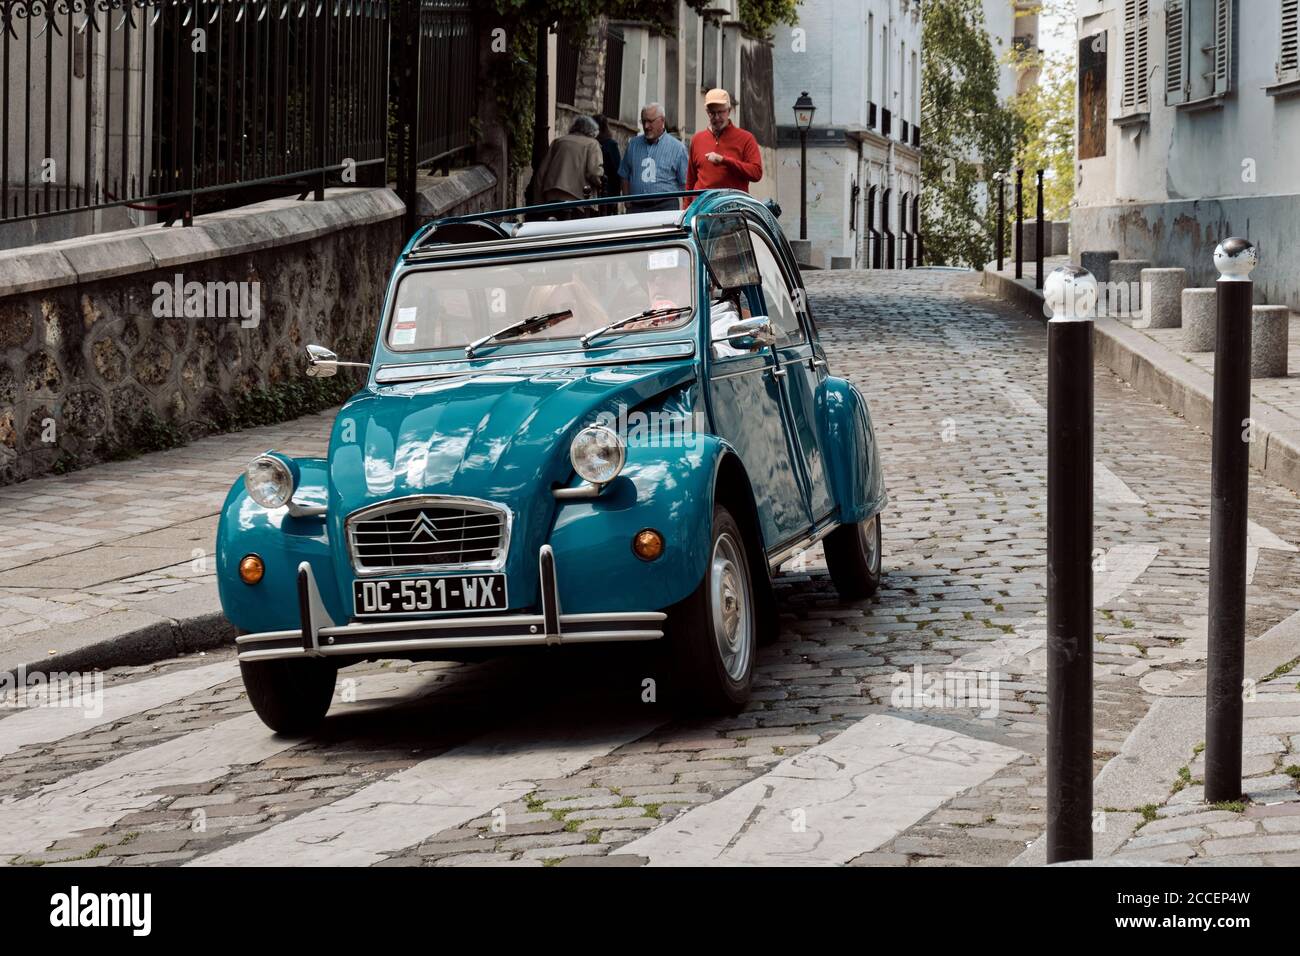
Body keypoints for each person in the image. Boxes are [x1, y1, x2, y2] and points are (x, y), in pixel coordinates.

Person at [686, 89, 763, 198]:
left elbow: (756, 173)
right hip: (702, 208)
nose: (717, 117)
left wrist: (724, 161)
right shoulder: (697, 139)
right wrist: (686, 211)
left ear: (729, 111)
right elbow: (690, 181)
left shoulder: (746, 138)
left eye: (720, 112)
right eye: (712, 113)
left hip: (732, 208)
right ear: (707, 112)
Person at [619, 102, 689, 213]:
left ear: (662, 121)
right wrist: (627, 201)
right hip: (636, 207)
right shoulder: (633, 144)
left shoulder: (677, 148)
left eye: (650, 121)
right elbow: (624, 174)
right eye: (644, 121)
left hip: (665, 206)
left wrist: (686, 211)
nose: (646, 126)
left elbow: (685, 182)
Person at [533, 115, 605, 218]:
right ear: (592, 131)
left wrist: (539, 202)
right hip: (577, 198)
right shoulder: (592, 144)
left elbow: (541, 173)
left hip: (552, 195)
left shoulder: (559, 141)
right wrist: (599, 183)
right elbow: (594, 172)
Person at [595, 115, 623, 213]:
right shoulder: (611, 145)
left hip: (599, 190)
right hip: (608, 191)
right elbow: (617, 170)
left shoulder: (593, 144)